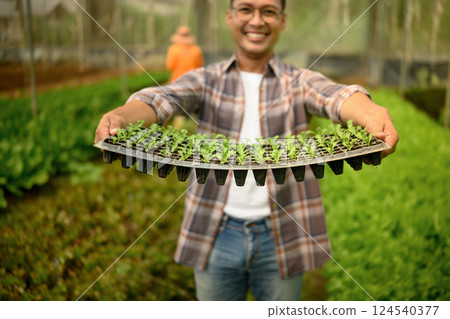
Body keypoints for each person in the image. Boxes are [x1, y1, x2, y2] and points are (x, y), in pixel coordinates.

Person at [95, 0, 399, 301]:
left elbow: (336, 96)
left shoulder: (298, 81)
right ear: (230, 17)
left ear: (282, 20)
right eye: (246, 9)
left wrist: (370, 114)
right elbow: (163, 97)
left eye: (268, 11)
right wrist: (122, 117)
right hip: (215, 231)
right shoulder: (207, 79)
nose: (257, 20)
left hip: (284, 232)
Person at [165, 26, 204, 128]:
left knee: (174, 105)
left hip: (176, 81)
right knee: (191, 106)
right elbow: (199, 65)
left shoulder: (174, 49)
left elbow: (169, 66)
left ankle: (174, 131)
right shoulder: (196, 49)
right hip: (192, 82)